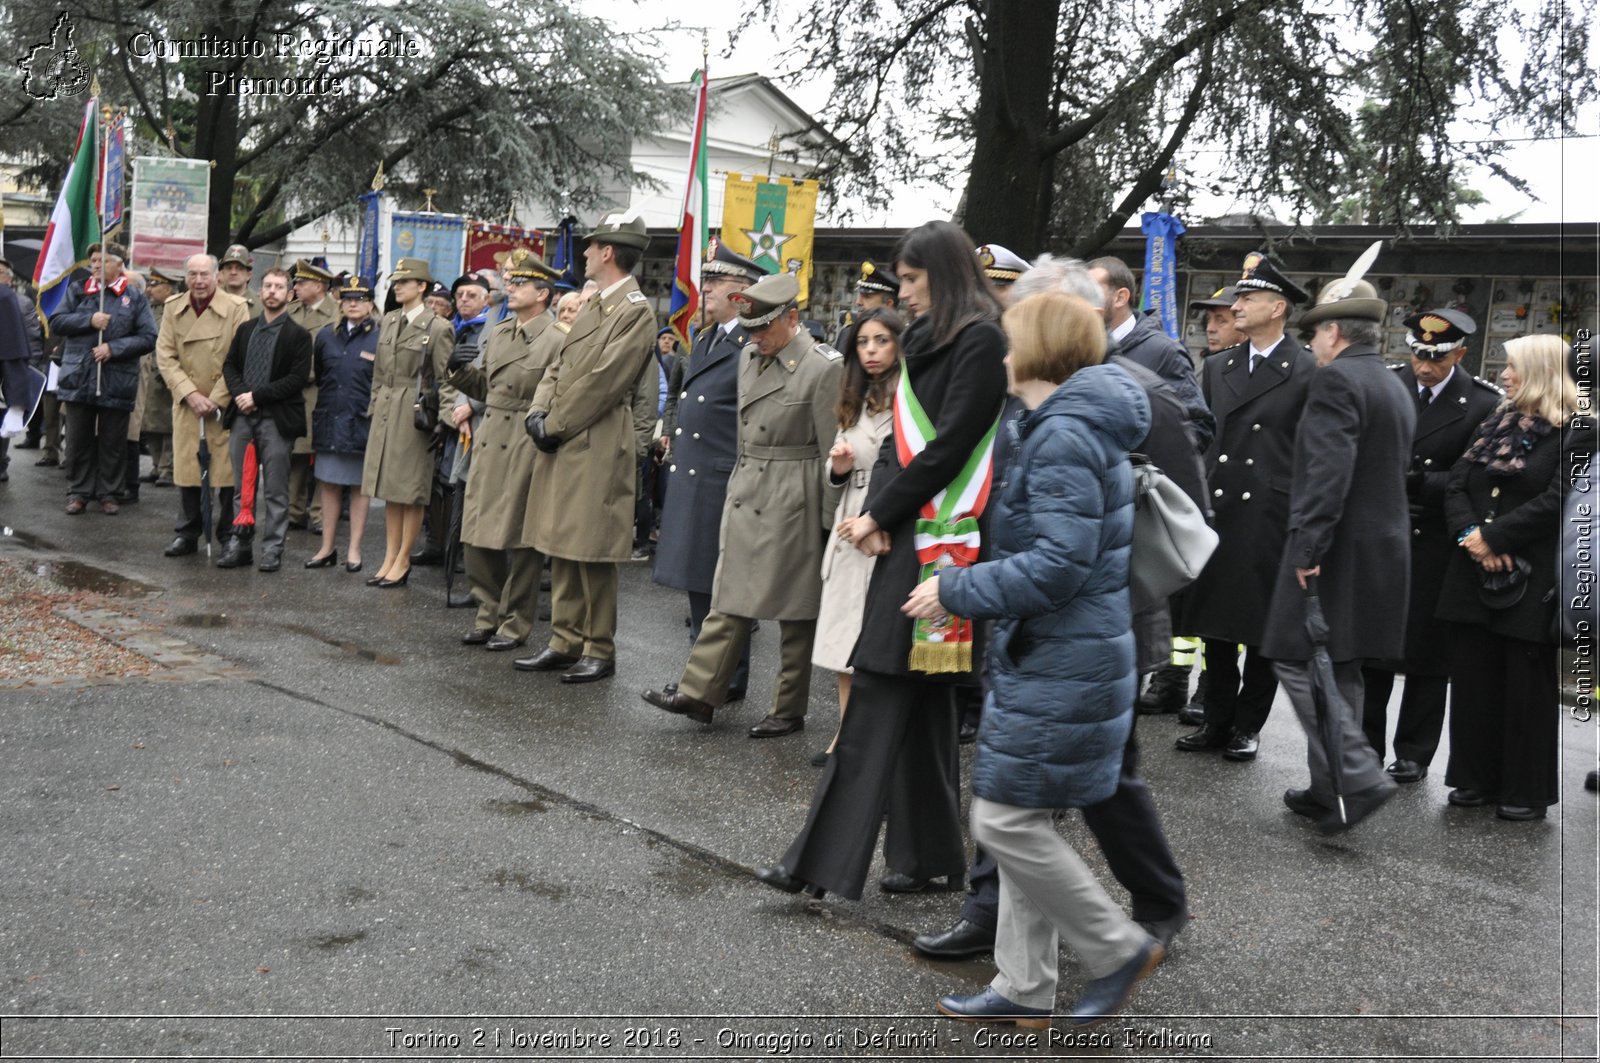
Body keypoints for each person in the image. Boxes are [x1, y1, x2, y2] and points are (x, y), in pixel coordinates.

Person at [915, 253, 1193, 961]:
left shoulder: (1140, 395)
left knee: (1103, 780)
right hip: (1030, 608)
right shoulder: (1028, 398)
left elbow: (1178, 511)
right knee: (1022, 776)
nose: (1007, 344)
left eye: (1020, 326)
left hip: (1104, 614)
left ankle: (1155, 903)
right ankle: (994, 918)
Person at [753, 220, 1006, 902]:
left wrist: (879, 514)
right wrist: (874, 517)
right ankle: (930, 859)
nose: (904, 292)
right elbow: (899, 443)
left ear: (946, 276)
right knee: (921, 713)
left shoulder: (983, 339)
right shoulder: (923, 339)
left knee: (875, 698)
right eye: (902, 279)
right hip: (902, 536)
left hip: (942, 543)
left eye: (915, 279)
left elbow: (950, 446)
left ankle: (817, 863)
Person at [641, 270, 843, 736]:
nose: (756, 338)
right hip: (748, 484)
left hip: (796, 491)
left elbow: (833, 447)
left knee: (796, 607)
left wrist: (830, 521)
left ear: (792, 318)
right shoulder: (752, 355)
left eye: (765, 328)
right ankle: (700, 693)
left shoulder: (823, 366)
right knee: (728, 594)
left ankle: (788, 708)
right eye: (750, 329)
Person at [1259, 249, 1415, 835]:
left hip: (1335, 552)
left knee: (1299, 660)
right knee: (1335, 666)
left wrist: (1306, 552)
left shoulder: (1335, 383)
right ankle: (1333, 789)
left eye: (1315, 331)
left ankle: (1355, 777)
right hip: (1378, 552)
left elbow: (1328, 477)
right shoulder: (1390, 382)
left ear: (1332, 332)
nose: (1313, 345)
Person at [1437, 334, 1590, 821]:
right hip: (1473, 571)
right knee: (1474, 680)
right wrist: (1470, 536)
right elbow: (1457, 482)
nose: (1504, 375)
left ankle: (1525, 790)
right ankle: (1474, 779)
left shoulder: (1580, 431)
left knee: (1526, 688)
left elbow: (1560, 498)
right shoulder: (1495, 419)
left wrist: (1496, 538)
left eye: (1514, 368)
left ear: (1543, 371)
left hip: (1532, 578)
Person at [1177, 253, 1314, 761]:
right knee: (1215, 620)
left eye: (1248, 298)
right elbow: (1207, 435)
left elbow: (1311, 450)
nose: (1237, 305)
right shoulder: (1219, 365)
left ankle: (1247, 724)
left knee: (1259, 626)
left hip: (1270, 512)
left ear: (1277, 308)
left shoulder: (1305, 370)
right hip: (1222, 505)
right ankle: (1215, 718)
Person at [516, 209, 657, 683]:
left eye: (592, 246)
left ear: (609, 252)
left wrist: (553, 423)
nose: (586, 253)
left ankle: (599, 647)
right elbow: (558, 365)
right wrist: (537, 412)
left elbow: (604, 382)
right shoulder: (597, 303)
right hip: (567, 432)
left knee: (593, 547)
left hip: (594, 436)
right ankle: (564, 638)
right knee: (564, 540)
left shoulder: (635, 311)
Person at [1361, 308, 1501, 782]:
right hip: (1382, 531)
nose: (1424, 366)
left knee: (1427, 656)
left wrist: (1423, 483)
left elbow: (1476, 477)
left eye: (1437, 359)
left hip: (1436, 539)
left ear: (1459, 354)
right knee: (1372, 652)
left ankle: (1414, 753)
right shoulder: (1387, 384)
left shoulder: (1481, 403)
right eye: (1419, 354)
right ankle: (1363, 749)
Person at [651, 242, 764, 698]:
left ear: (742, 291)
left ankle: (717, 678)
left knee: (721, 585)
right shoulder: (706, 337)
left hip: (723, 476)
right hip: (696, 472)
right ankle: (713, 674)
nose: (707, 289)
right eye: (707, 280)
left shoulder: (749, 343)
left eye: (716, 281)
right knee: (701, 581)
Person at [1138, 284, 1244, 719]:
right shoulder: (1212, 369)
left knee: (1223, 608)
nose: (1212, 328)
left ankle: (1210, 687)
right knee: (1183, 600)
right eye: (1208, 321)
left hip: (1243, 501)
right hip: (1205, 490)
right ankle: (1172, 678)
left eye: (1221, 319)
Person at [449, 250, 564, 650]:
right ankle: (487, 612)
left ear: (543, 294)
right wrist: (458, 370)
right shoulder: (499, 332)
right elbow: (488, 390)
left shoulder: (556, 339)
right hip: (490, 434)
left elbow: (555, 397)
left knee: (521, 538)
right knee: (476, 531)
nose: (510, 288)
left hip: (524, 440)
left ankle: (515, 622)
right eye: (511, 282)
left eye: (520, 284)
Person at [809, 309, 902, 763]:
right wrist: (838, 468)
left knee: (876, 645)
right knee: (844, 644)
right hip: (849, 529)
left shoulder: (912, 400)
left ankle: (873, 745)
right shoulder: (854, 399)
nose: (871, 351)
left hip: (888, 529)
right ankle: (846, 738)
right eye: (863, 342)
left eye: (882, 340)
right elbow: (838, 470)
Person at [361, 257, 455, 588]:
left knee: (411, 491)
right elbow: (379, 373)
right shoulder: (388, 320)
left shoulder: (438, 327)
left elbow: (446, 379)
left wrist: (444, 422)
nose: (398, 286)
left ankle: (403, 559)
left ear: (422, 287)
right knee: (390, 489)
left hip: (415, 413)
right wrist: (374, 406)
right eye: (396, 282)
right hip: (387, 408)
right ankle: (389, 556)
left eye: (406, 281)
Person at [49, 242, 158, 515]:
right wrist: (89, 320)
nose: (96, 265)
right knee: (78, 439)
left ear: (119, 265)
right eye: (94, 261)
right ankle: (79, 491)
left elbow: (148, 337)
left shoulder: (133, 297)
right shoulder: (78, 291)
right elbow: (57, 321)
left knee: (113, 440)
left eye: (103, 260)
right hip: (79, 375)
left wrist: (114, 348)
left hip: (117, 377)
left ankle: (110, 492)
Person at [218, 268, 313, 572]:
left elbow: (297, 378)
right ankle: (240, 544)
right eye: (268, 286)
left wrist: (257, 397)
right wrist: (240, 394)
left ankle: (272, 548)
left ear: (290, 294)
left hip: (276, 419)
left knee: (275, 489)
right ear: (260, 292)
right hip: (243, 418)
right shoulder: (246, 329)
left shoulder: (298, 335)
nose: (272, 291)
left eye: (279, 287)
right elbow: (230, 366)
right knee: (241, 487)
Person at [157, 253, 251, 556]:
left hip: (223, 403)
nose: (198, 281)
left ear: (217, 277)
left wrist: (215, 398)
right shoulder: (174, 308)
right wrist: (189, 393)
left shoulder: (237, 309)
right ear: (185, 277)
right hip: (188, 402)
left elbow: (241, 356)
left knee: (226, 473)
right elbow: (166, 356)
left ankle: (226, 534)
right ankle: (187, 532)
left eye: (204, 275)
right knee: (188, 469)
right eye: (192, 274)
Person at [1086, 256, 1212, 451]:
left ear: (1120, 297)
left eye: (1091, 292)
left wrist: (1136, 461)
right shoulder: (1082, 348)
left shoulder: (1164, 351)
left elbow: (1198, 429)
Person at [306, 276, 379, 573]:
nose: (353, 304)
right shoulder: (326, 335)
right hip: (330, 417)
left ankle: (354, 550)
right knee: (329, 485)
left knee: (360, 489)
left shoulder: (380, 336)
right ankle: (326, 548)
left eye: (360, 299)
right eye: (348, 298)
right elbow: (322, 374)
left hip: (361, 420)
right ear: (340, 301)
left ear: (371, 304)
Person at [286, 259, 340, 533]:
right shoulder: (291, 310)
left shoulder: (337, 314)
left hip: (322, 392)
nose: (295, 287)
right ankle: (294, 511)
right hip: (292, 394)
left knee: (321, 453)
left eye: (301, 282)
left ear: (319, 286)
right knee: (295, 453)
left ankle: (319, 513)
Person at [137, 267, 180, 488]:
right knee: (150, 424)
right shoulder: (150, 308)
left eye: (155, 285)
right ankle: (156, 465)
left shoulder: (177, 309)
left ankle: (168, 469)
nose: (151, 289)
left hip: (166, 374)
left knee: (168, 425)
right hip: (148, 373)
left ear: (169, 288)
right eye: (150, 284)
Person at [217, 244, 260, 318]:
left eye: (239, 268)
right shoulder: (211, 299)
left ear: (248, 275)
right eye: (229, 268)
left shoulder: (259, 305)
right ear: (222, 273)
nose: (233, 272)